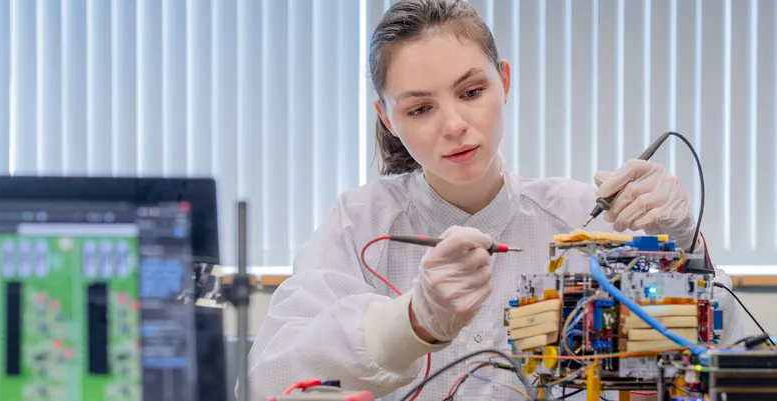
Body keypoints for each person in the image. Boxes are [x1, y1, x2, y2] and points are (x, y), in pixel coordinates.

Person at [245, 0, 745, 400]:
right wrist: (411, 321)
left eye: (471, 91)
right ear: (387, 118)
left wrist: (682, 248)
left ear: (503, 81)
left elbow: (722, 354)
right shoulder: (359, 226)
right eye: (420, 108)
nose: (454, 125)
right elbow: (271, 377)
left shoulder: (583, 219)